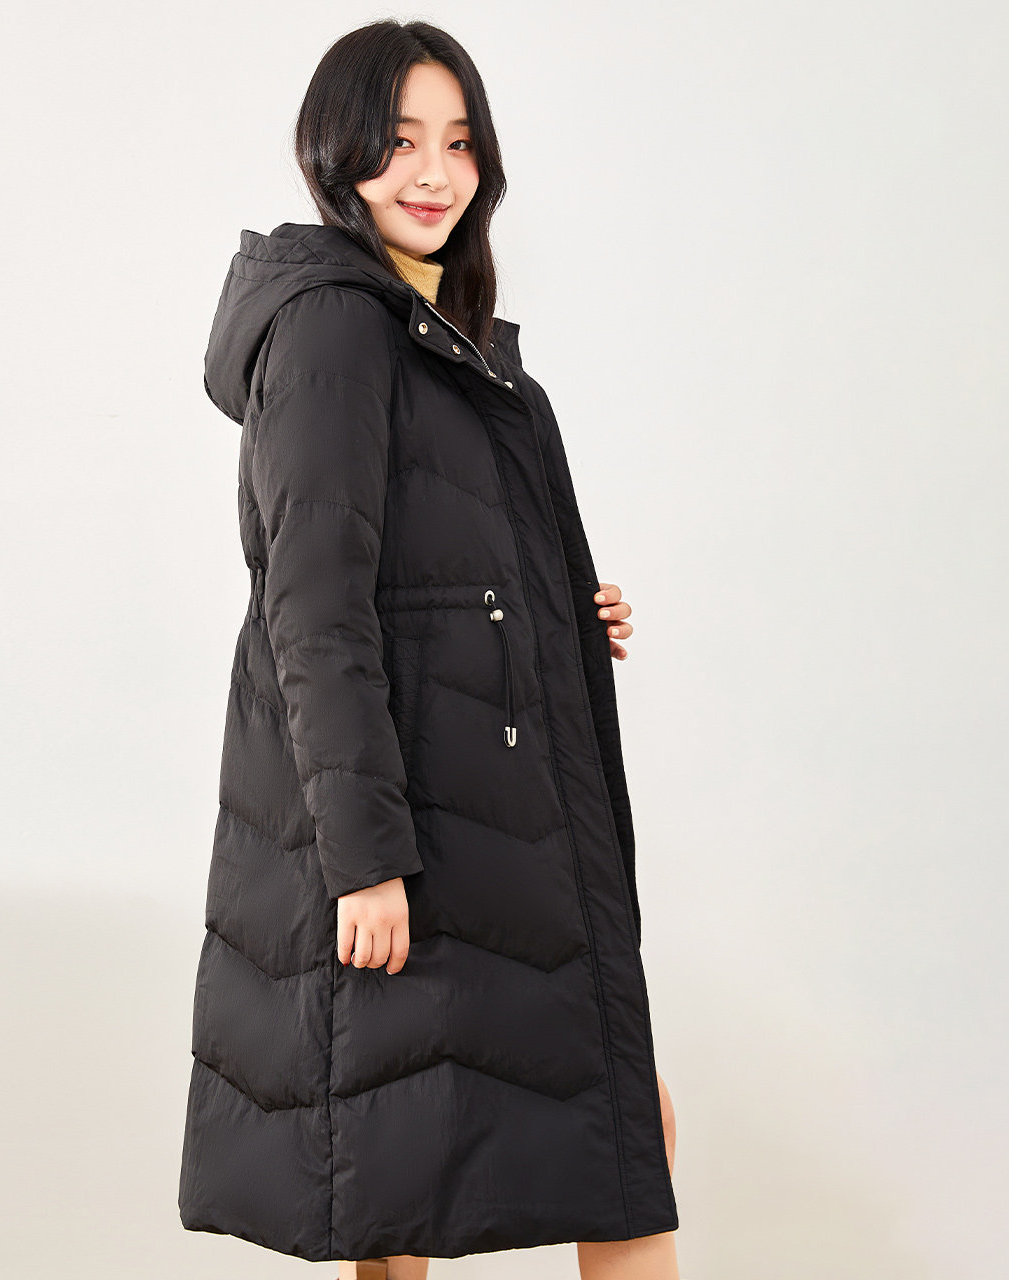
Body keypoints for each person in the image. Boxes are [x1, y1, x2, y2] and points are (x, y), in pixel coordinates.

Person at [179, 19, 681, 1280]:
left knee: (582, 1147)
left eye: (458, 144)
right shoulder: (334, 329)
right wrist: (364, 863)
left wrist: (558, 607)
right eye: (400, 140)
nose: (432, 172)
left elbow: (424, 568)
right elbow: (315, 608)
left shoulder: (440, 334)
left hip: (488, 822)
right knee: (404, 1173)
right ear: (334, 148)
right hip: (410, 834)